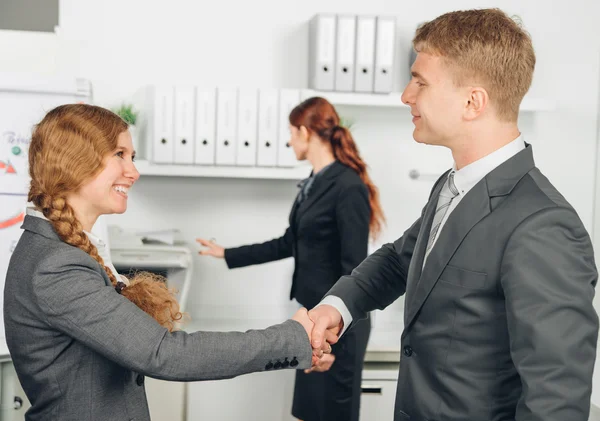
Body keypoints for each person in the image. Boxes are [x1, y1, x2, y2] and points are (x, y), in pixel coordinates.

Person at [307, 8, 599, 421]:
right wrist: (338, 306)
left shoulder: (544, 226)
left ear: (472, 102)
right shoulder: (451, 185)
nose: (407, 95)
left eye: (420, 82)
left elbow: (555, 401)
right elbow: (399, 261)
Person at [3, 104, 334, 421]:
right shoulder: (56, 266)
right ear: (74, 160)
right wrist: (291, 338)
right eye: (120, 155)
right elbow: (164, 354)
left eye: (132, 157)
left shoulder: (62, 250)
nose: (133, 172)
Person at [197, 96, 385, 421]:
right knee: (305, 413)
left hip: (337, 328)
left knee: (328, 415)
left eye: (290, 132)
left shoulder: (347, 186)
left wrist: (333, 335)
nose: (288, 140)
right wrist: (227, 253)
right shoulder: (314, 183)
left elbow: (355, 270)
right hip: (312, 324)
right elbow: (289, 242)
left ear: (304, 131)